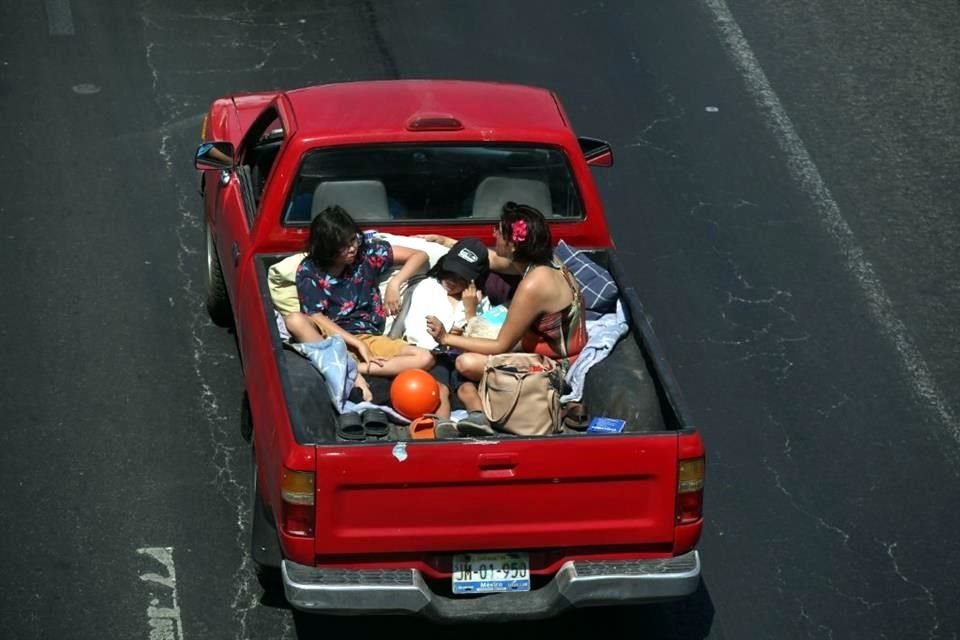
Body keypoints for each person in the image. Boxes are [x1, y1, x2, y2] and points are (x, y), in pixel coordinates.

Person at [422, 202, 587, 430]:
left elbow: (500, 346)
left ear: (511, 245)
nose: (493, 234)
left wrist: (445, 338)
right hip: (548, 346)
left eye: (498, 231)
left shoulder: (533, 285)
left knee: (465, 362)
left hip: (557, 363)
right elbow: (488, 259)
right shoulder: (544, 262)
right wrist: (448, 243)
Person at [283, 206, 437, 382]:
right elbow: (316, 317)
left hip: (369, 336)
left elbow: (420, 255)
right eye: (343, 246)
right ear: (327, 248)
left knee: (425, 358)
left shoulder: (367, 254)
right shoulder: (309, 269)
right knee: (294, 320)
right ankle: (343, 364)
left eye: (353, 240)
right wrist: (356, 343)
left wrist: (395, 284)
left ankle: (353, 368)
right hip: (329, 338)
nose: (352, 248)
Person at [401, 238, 491, 418]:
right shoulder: (429, 287)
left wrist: (470, 311)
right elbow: (415, 329)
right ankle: (443, 423)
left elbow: (483, 339)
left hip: (462, 358)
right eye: (450, 271)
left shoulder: (480, 301)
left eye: (461, 277)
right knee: (439, 387)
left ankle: (479, 420)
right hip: (433, 354)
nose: (452, 280)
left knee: (467, 389)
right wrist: (449, 336)